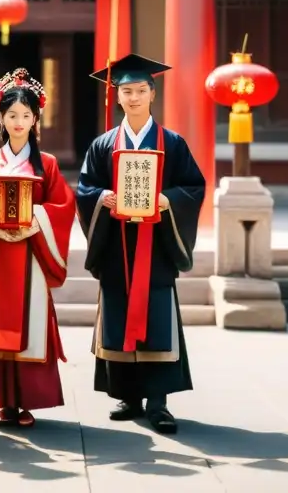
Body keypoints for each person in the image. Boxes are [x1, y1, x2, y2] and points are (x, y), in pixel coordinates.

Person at [76, 53, 206, 434]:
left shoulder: (173, 143)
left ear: (153, 93)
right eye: (125, 91)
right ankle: (128, 396)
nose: (132, 97)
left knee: (157, 318)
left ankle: (159, 402)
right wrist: (102, 198)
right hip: (117, 245)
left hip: (158, 244)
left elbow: (193, 186)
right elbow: (85, 188)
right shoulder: (103, 145)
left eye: (140, 90)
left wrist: (170, 201)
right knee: (118, 314)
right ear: (116, 97)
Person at [0, 68, 79, 428]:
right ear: (0, 117)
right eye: (12, 115)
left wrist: (34, 219)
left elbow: (62, 206)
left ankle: (26, 399)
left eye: (26, 115)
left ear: (36, 119)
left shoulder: (49, 165)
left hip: (32, 257)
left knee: (31, 321)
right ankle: (2, 399)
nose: (19, 122)